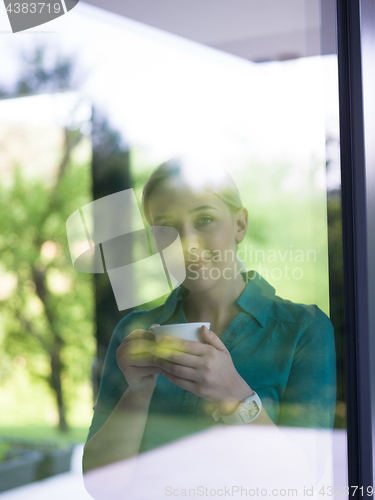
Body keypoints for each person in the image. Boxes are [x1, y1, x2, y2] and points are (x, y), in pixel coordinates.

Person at [82, 157, 336, 476]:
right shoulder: (133, 334)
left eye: (204, 220)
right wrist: (138, 392)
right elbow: (101, 484)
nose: (187, 244)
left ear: (240, 225)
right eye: (166, 229)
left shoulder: (303, 330)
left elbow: (305, 483)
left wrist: (233, 393)